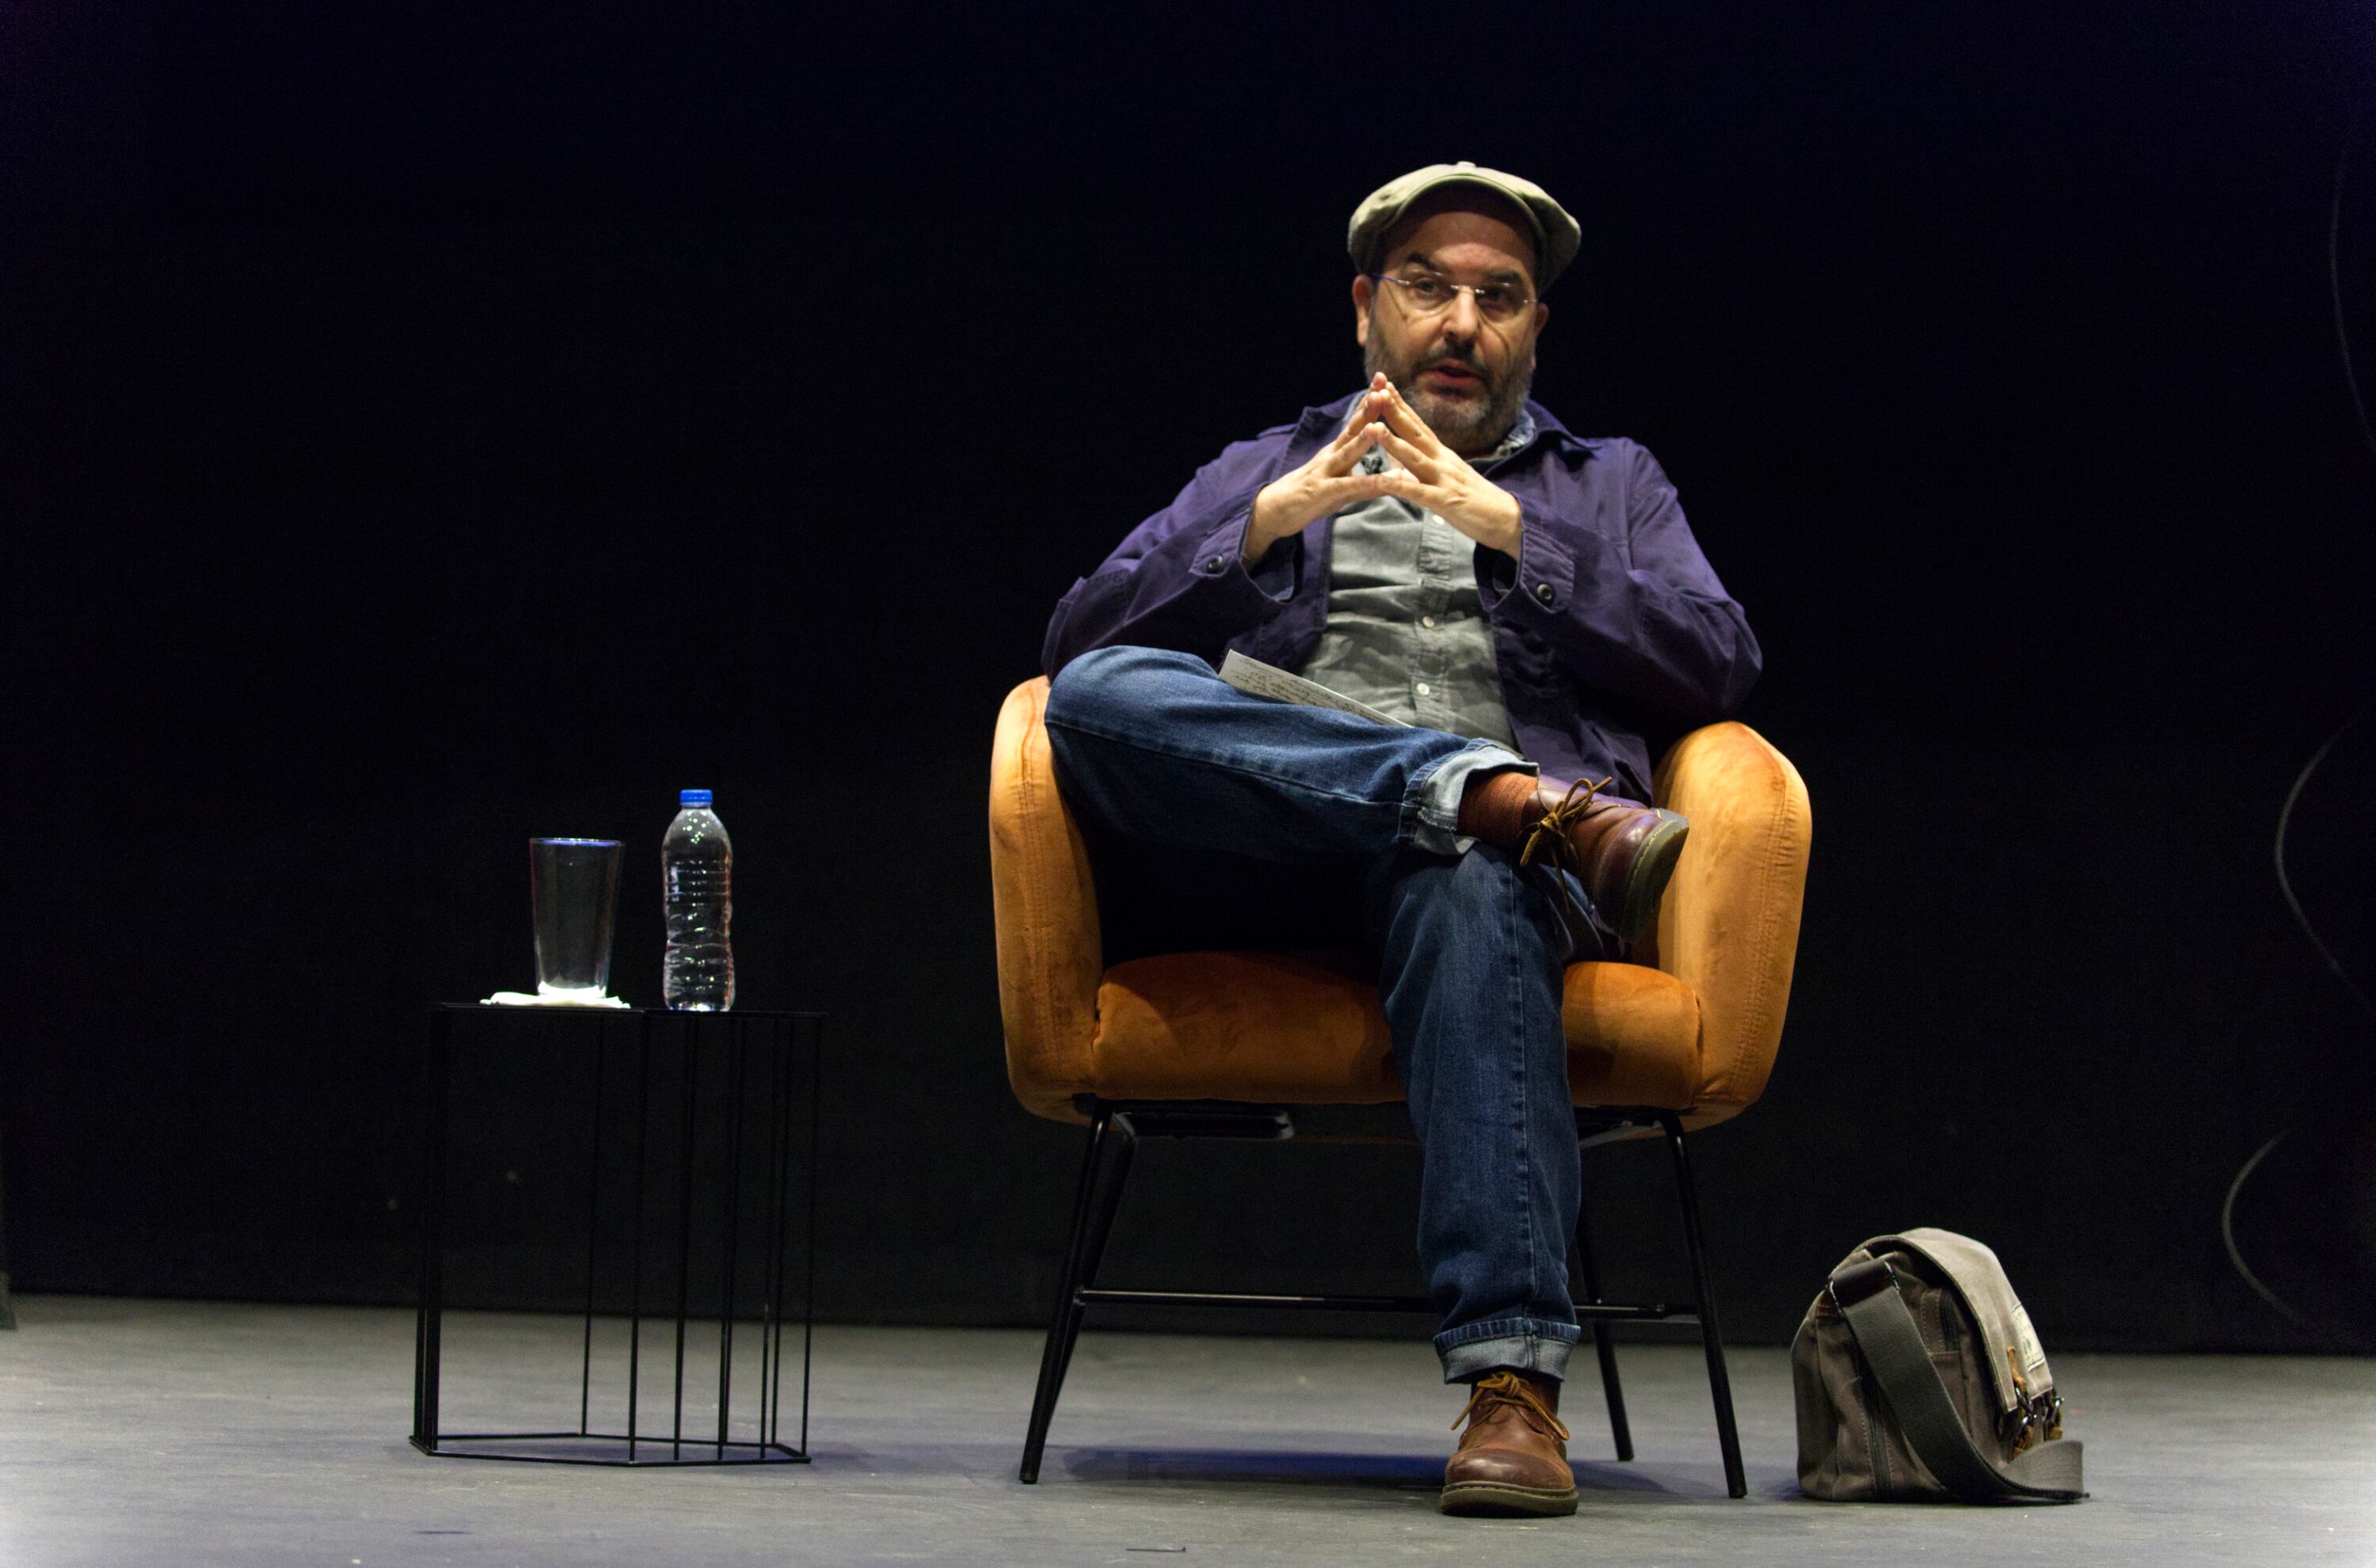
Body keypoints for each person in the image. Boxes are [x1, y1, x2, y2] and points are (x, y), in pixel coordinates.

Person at [1037, 162, 1761, 1517]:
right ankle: (1485, 789)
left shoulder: (1608, 484)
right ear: (1368, 307)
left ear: (1535, 329)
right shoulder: (1267, 460)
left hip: (1492, 887)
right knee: (1096, 698)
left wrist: (1516, 536)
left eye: (1500, 298)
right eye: (1429, 289)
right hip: (1281, 854)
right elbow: (1077, 649)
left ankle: (1512, 1392)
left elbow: (1719, 662)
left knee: (1471, 875)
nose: (1462, 322)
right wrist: (1271, 521)